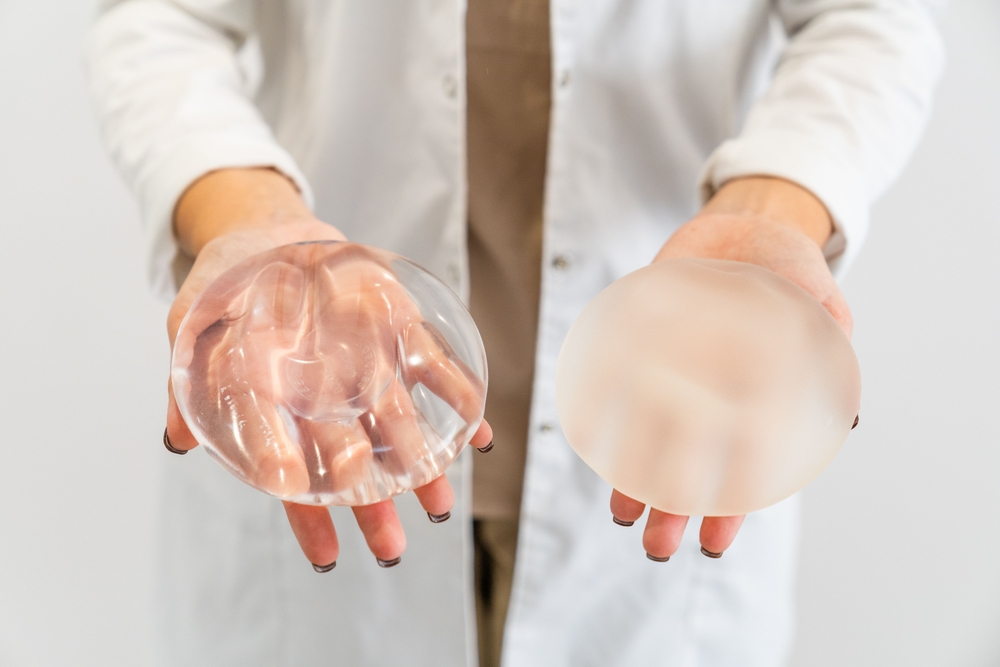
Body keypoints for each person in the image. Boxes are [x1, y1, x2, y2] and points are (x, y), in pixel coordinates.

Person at [87, 1, 942, 665]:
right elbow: (162, 19)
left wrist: (776, 200)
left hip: (671, 401)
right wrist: (244, 203)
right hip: (312, 400)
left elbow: (873, 18)